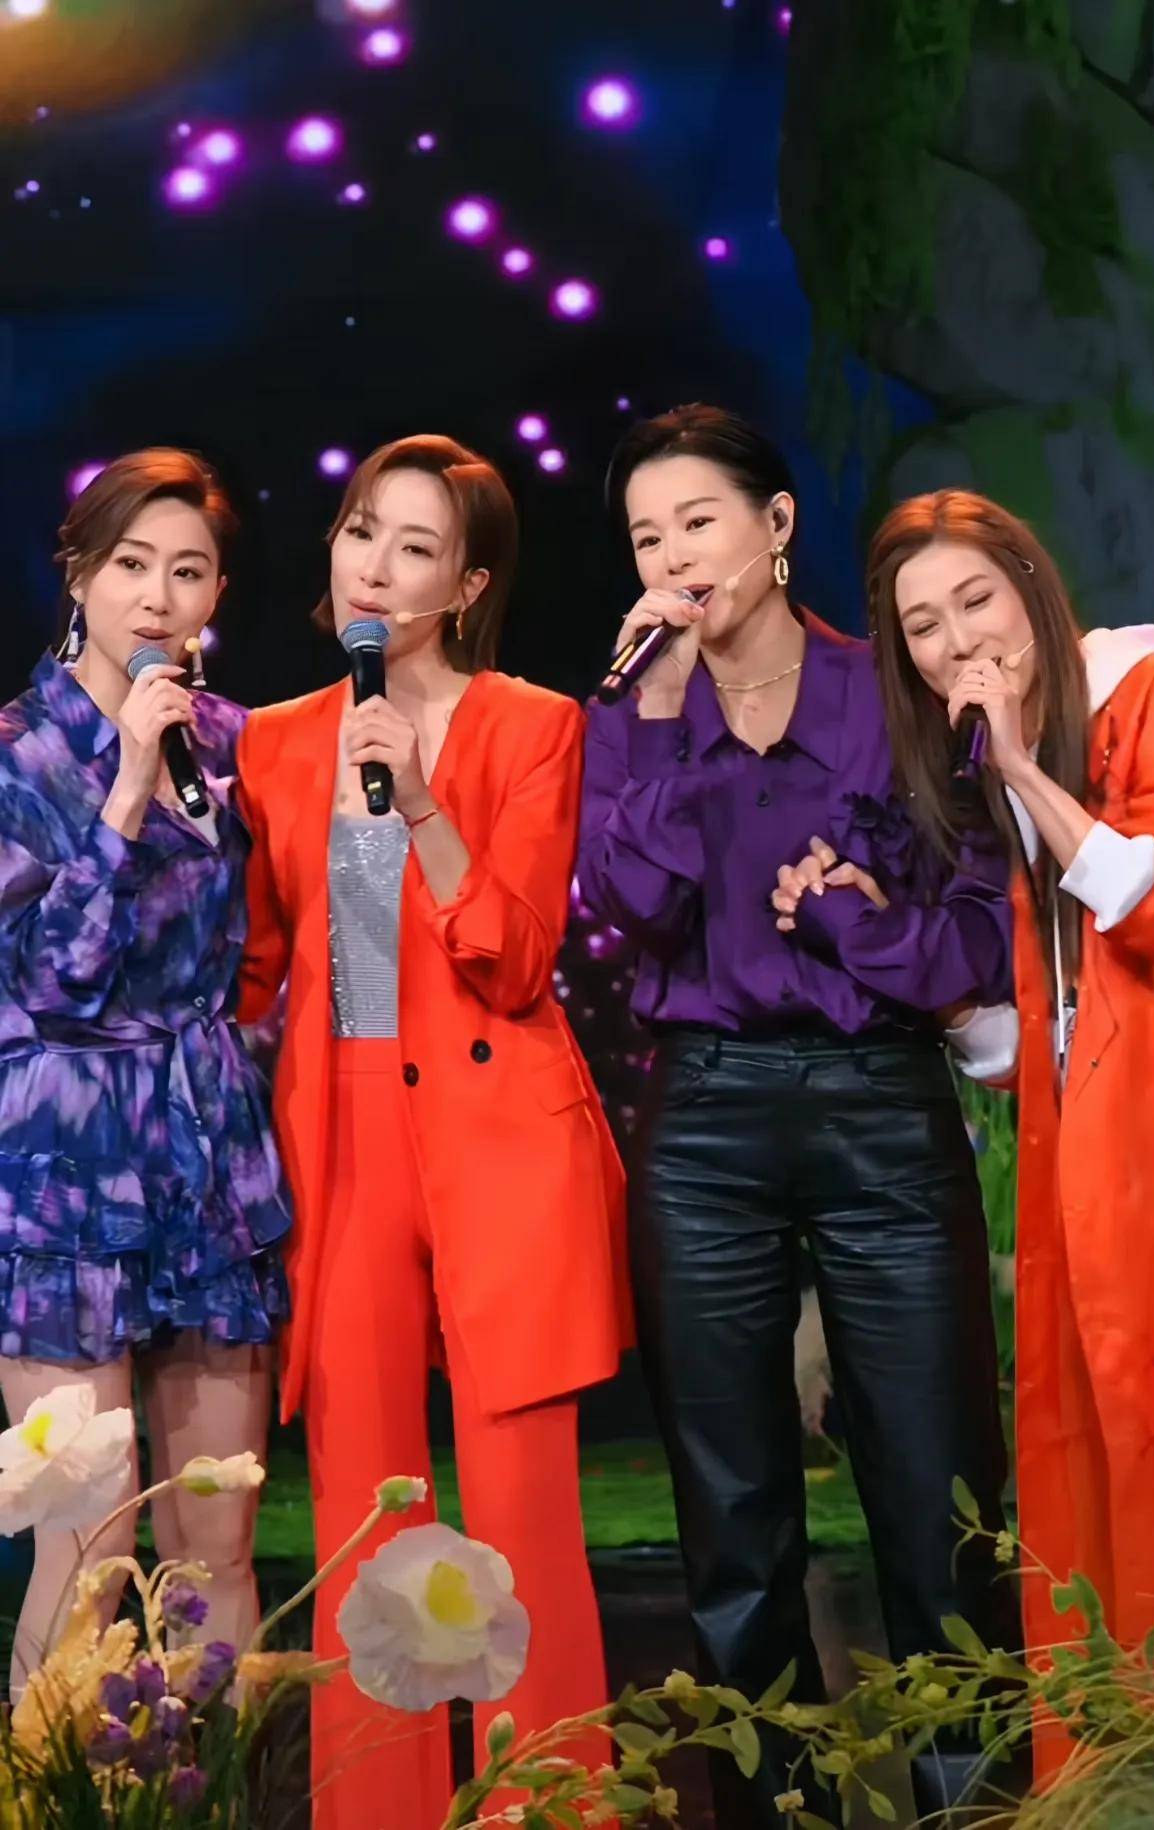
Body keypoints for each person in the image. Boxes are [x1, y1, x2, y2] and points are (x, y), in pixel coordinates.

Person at [578, 404, 1022, 1827]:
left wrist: (854, 923)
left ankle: (975, 1805)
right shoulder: (632, 710)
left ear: (774, 526)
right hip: (704, 1122)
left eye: (697, 521)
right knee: (733, 1515)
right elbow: (628, 911)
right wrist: (655, 718)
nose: (671, 557)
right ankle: (772, 1808)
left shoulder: (889, 688)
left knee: (938, 1494)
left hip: (882, 1108)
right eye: (645, 536)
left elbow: (972, 944)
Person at [235, 433, 628, 1830]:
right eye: (362, 531)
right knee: (366, 1516)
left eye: (415, 548)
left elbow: (514, 959)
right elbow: (260, 968)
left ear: (464, 587)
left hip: (500, 1141)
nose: (376, 566)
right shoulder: (272, 740)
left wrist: (418, 797)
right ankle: (377, 1809)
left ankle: (554, 1806)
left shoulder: (533, 725)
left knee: (523, 1515)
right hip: (344, 1146)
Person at [866, 488, 1154, 1775]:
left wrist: (1027, 776)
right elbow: (1015, 1042)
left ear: (1032, 585)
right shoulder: (974, 770)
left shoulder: (1140, 688)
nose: (958, 644)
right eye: (924, 626)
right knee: (1075, 1453)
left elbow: (1152, 903)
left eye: (976, 600)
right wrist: (878, 942)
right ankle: (1109, 1775)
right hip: (1073, 1156)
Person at [0, 450, 290, 1695]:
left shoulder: (233, 743)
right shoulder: (20, 753)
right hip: (67, 1167)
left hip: (204, 1150)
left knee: (214, 1544)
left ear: (218, 593)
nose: (157, 598)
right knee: (88, 1552)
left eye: (188, 571)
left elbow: (285, 939)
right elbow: (54, 981)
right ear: (78, 574)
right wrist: (124, 786)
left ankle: (214, 1783)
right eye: (130, 565)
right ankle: (57, 1785)